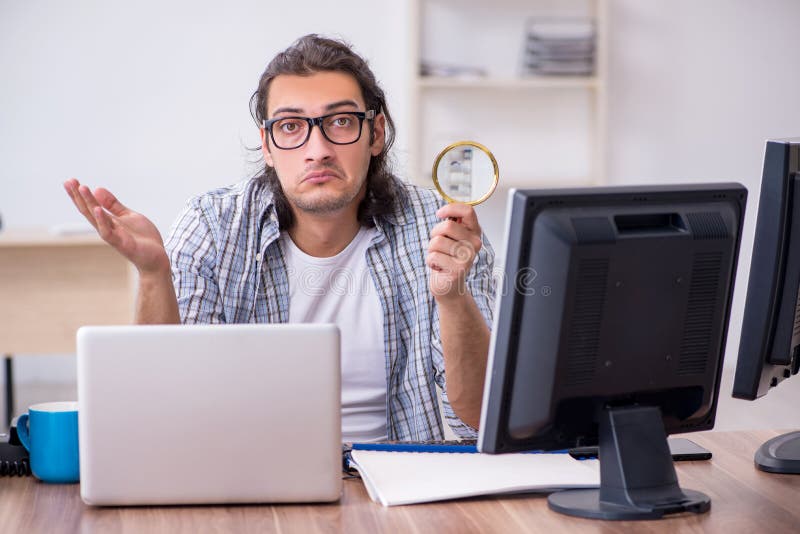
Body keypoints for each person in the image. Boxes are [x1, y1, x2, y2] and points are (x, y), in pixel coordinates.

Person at [63, 34, 495, 442]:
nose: (317, 149)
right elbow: (163, 408)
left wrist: (452, 296)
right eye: (291, 127)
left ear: (375, 134)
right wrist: (154, 273)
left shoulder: (441, 229)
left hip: (399, 479)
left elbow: (480, 415)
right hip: (247, 476)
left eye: (341, 122)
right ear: (267, 146)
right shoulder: (212, 225)